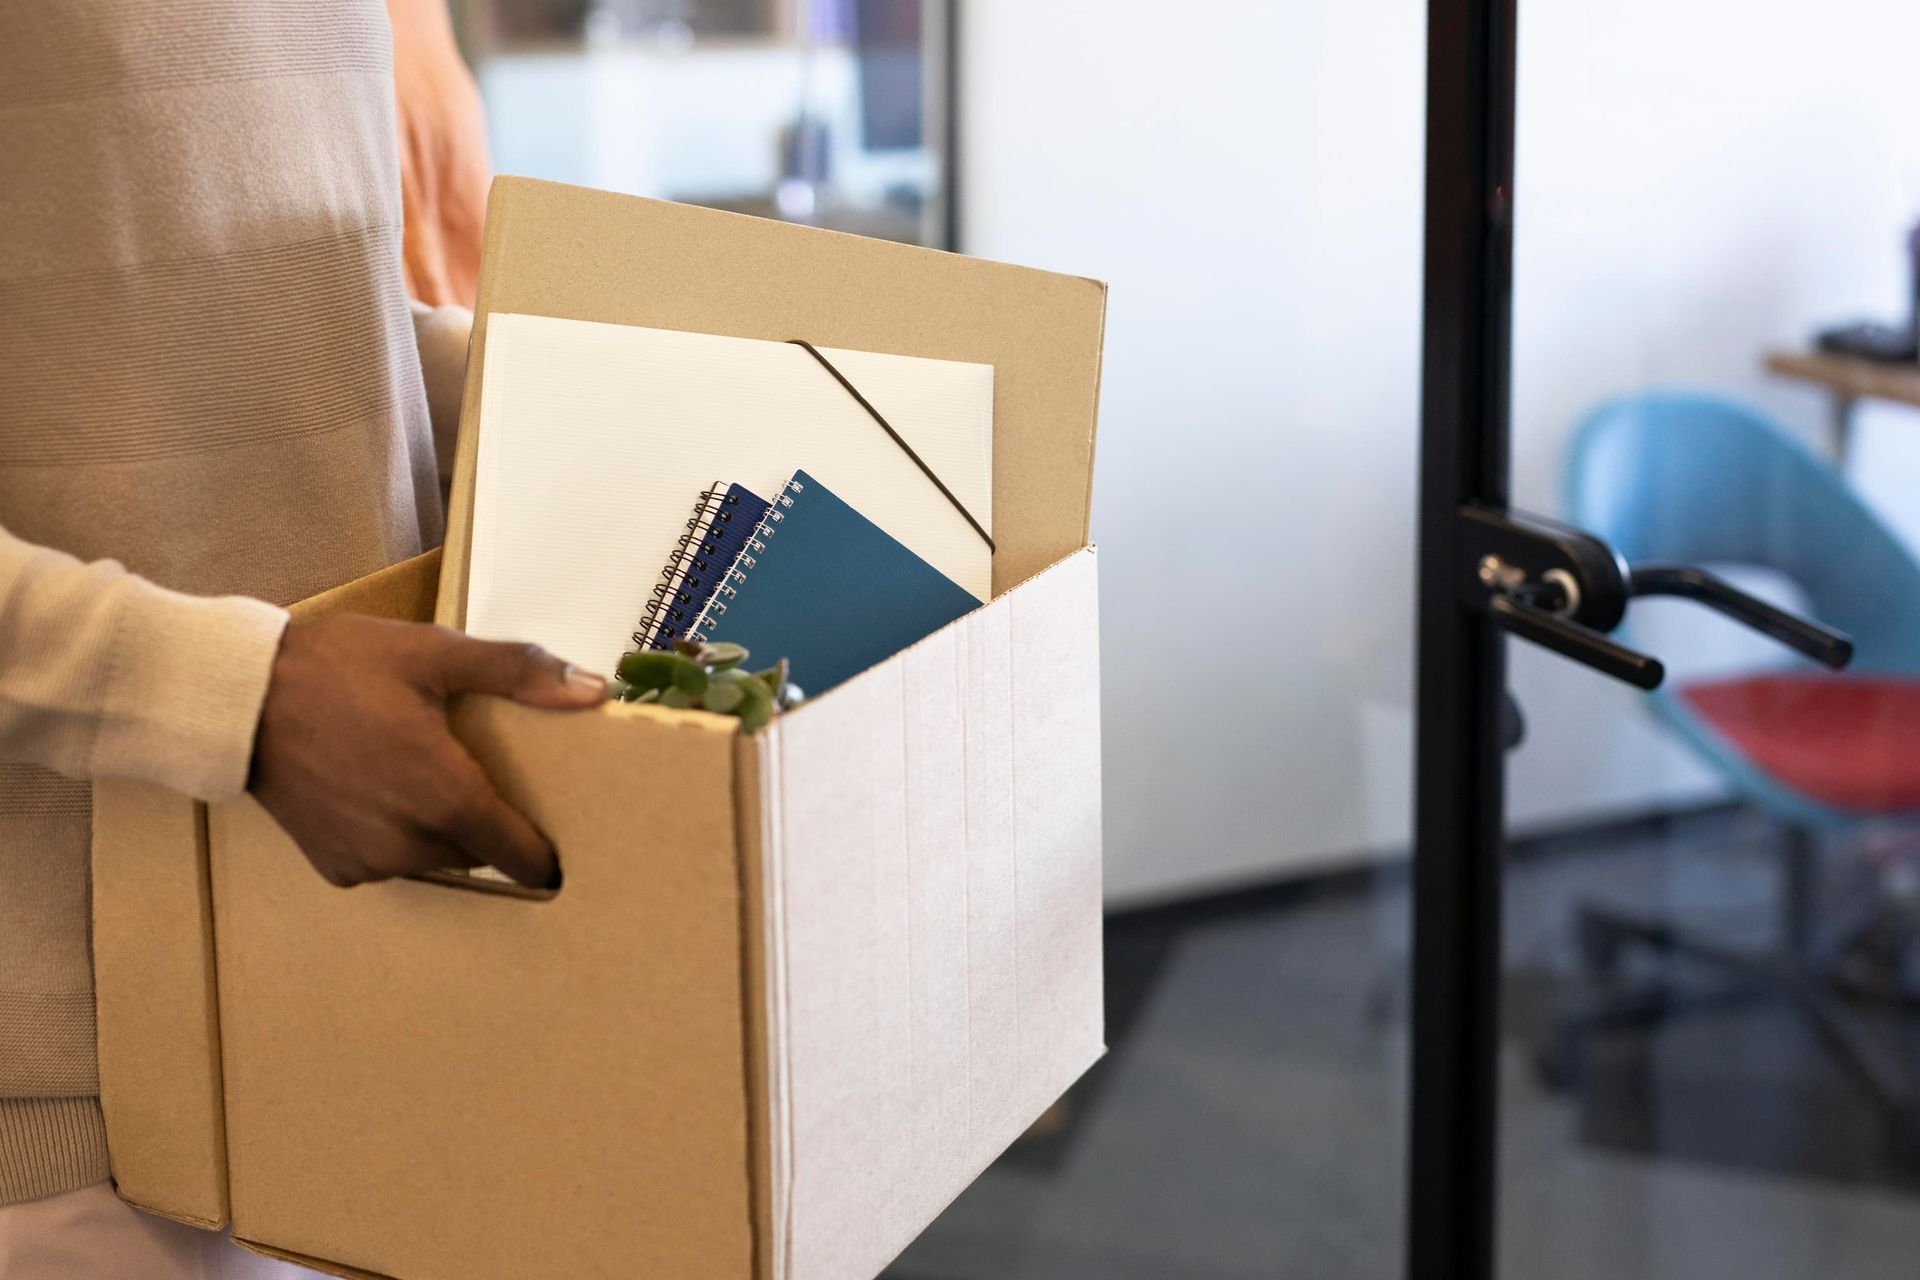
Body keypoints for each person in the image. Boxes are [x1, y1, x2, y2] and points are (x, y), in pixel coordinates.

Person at [0, 2, 604, 1273]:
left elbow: (262, 306)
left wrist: (580, 397)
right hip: (69, 1097)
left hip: (340, 975)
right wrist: (248, 698)